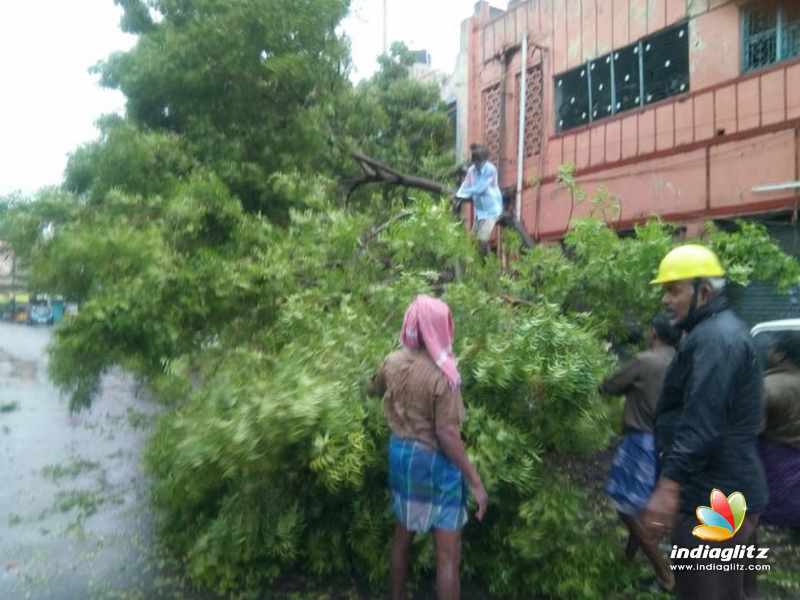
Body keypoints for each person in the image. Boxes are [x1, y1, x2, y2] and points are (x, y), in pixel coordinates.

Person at [642, 244, 768, 600]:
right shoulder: (714, 332)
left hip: (716, 497)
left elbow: (701, 421)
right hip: (726, 489)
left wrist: (669, 487)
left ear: (704, 292)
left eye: (674, 290)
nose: (666, 300)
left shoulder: (716, 340)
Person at [367, 295, 488, 600]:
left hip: (401, 456)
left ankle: (397, 596)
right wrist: (475, 482)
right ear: (441, 328)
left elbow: (373, 389)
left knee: (402, 535)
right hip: (434, 461)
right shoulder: (444, 376)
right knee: (447, 557)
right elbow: (447, 433)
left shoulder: (392, 361)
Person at [601, 314, 681, 592]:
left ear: (654, 333)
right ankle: (627, 560)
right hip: (669, 444)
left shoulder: (646, 360)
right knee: (644, 504)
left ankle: (665, 574)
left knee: (626, 508)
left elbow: (609, 386)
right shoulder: (682, 360)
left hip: (641, 442)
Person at [758, 330, 800, 527]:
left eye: (771, 349)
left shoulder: (766, 386)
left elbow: (753, 428)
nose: (767, 352)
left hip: (774, 461)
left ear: (781, 354)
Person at [454, 144, 503, 256]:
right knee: (472, 240)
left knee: (482, 239)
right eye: (475, 162)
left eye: (479, 162)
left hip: (492, 209)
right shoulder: (472, 170)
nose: (477, 165)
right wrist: (458, 194)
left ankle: (487, 263)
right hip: (480, 211)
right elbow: (466, 184)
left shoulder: (491, 170)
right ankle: (474, 264)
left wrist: (465, 194)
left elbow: (481, 188)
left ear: (484, 160)